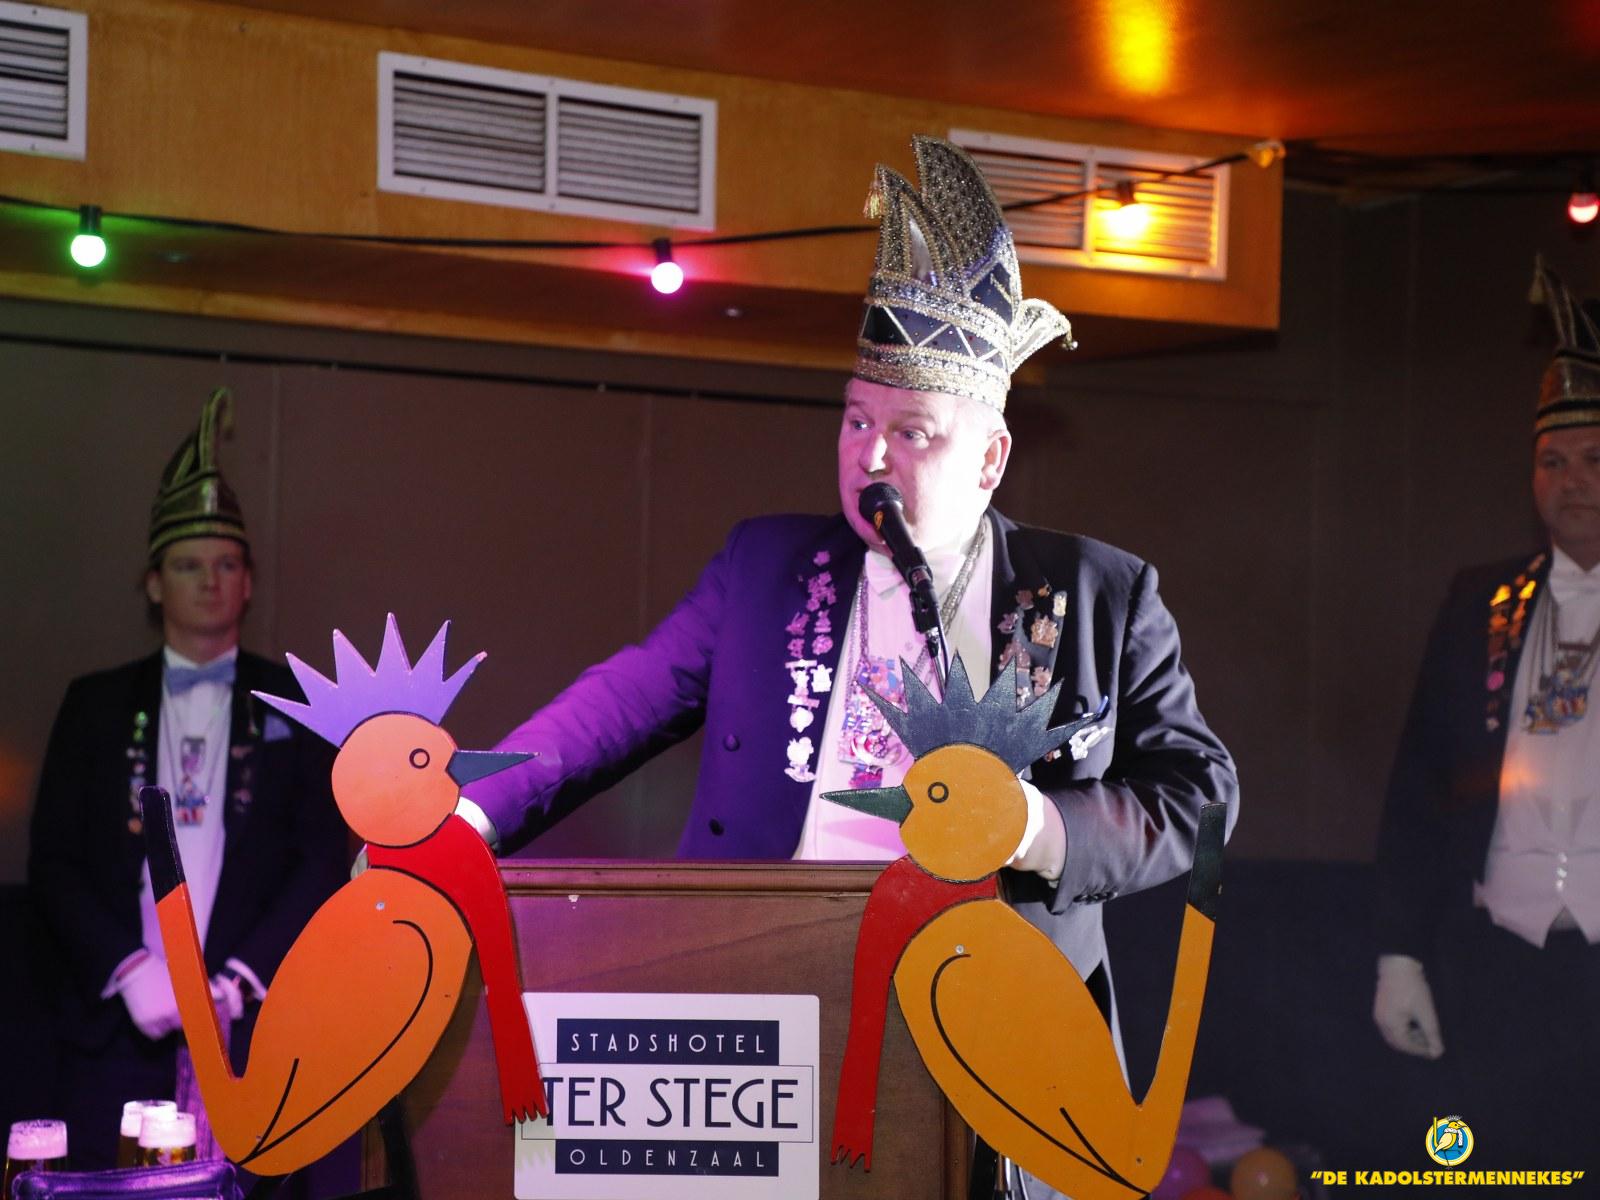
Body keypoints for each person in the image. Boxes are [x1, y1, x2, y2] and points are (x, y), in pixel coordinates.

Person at [462, 137, 1239, 1200]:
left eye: (911, 432)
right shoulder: (767, 566)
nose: (869, 457)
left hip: (997, 1034)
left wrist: (1033, 825)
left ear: (989, 457)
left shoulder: (1096, 593)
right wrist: (464, 813)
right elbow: (621, 701)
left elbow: (1199, 797)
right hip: (766, 1013)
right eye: (855, 419)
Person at [27, 390, 348, 1170]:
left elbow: (320, 858)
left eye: (227, 564)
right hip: (116, 1029)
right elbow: (54, 861)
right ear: (153, 583)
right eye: (189, 565)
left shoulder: (298, 701)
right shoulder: (94, 704)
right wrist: (128, 969)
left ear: (249, 582)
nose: (210, 581)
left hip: (254, 1029)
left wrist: (239, 981)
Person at [1373, 260, 1600, 1164]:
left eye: (1594, 460)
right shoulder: (1483, 602)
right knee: (1504, 1173)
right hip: (1497, 960)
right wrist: (1399, 954)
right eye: (1552, 462)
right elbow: (1420, 784)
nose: (1573, 481)